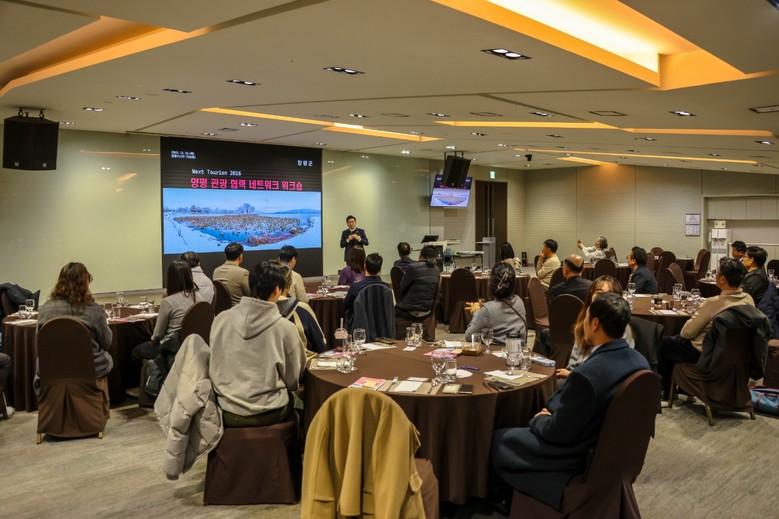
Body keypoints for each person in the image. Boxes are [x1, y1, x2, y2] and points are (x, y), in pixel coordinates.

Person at [492, 292, 649, 510]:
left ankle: (507, 502)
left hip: (575, 454)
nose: (583, 323)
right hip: (610, 453)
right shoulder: (640, 363)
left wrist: (540, 419)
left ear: (595, 323)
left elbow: (557, 432)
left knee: (500, 439)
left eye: (586, 318)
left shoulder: (588, 374)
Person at [209, 261, 307, 427]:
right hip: (270, 410)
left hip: (226, 409)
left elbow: (214, 363)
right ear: (277, 290)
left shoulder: (220, 319)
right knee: (301, 403)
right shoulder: (285, 328)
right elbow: (293, 380)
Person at [658, 258, 753, 397]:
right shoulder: (748, 300)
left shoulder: (713, 303)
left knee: (664, 342)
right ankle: (685, 388)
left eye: (717, 273)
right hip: (736, 355)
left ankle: (667, 391)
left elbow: (687, 332)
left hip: (706, 352)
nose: (715, 275)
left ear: (722, 279)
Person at [36, 262, 113, 390]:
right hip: (90, 369)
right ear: (85, 283)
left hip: (52, 369)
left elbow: (40, 342)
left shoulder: (45, 309)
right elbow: (107, 342)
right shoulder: (94, 310)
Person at [131, 260, 204, 368]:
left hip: (172, 348)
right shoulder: (199, 297)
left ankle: (151, 376)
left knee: (135, 352)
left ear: (170, 279)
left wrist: (153, 337)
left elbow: (158, 334)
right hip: (195, 345)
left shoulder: (168, 302)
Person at [556, 275, 632, 380]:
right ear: (591, 295)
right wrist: (570, 374)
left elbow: (610, 372)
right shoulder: (585, 320)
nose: (603, 298)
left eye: (609, 294)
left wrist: (571, 375)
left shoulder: (621, 328)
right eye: (599, 293)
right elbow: (574, 360)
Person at [465, 263, 527, 345]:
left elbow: (469, 336)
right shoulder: (519, 301)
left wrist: (476, 313)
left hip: (498, 351)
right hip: (519, 350)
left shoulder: (487, 310)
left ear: (490, 283)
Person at [276, 262, 327, 354]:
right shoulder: (301, 309)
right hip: (302, 362)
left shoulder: (254, 313)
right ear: (289, 285)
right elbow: (320, 345)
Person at [395, 245, 440, 320]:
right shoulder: (436, 269)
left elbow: (402, 289)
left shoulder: (413, 267)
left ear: (421, 255)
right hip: (428, 310)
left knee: (390, 311)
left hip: (413, 310)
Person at [345, 253, 392, 321]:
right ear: (380, 269)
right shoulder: (386, 287)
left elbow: (345, 305)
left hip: (360, 323)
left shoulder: (355, 287)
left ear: (364, 267)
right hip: (380, 323)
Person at [213, 242, 250, 306]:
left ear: (225, 256)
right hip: (240, 310)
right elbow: (251, 295)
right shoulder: (243, 273)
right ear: (240, 257)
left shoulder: (216, 271)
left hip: (221, 310)